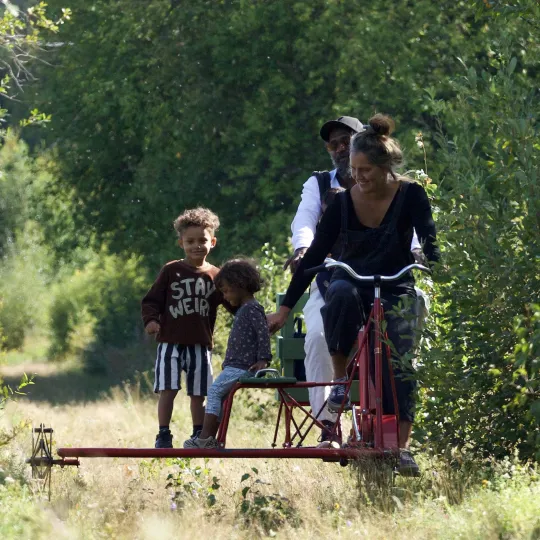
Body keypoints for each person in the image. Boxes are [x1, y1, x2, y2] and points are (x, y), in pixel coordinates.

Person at [269, 114, 440, 475]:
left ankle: (400, 448)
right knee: (341, 291)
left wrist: (436, 264)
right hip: (353, 280)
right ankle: (340, 382)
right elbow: (314, 257)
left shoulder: (411, 195)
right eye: (354, 170)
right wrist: (285, 308)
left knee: (401, 364)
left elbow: (429, 239)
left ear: (386, 168)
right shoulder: (342, 202)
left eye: (366, 171)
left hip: (396, 283)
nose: (358, 178)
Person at [141, 207, 232, 449]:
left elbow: (231, 300)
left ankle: (198, 434)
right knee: (168, 390)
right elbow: (151, 300)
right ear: (181, 243)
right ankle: (163, 434)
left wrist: (250, 313)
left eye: (202, 240)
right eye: (190, 241)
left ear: (212, 242)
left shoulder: (216, 275)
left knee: (198, 393)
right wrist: (151, 321)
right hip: (170, 342)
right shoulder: (171, 270)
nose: (196, 246)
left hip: (200, 345)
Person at [184, 259, 271, 449]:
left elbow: (263, 332)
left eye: (226, 290)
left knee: (214, 392)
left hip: (242, 366)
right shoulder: (244, 309)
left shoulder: (252, 308)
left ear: (239, 285)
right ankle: (211, 439)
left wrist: (263, 359)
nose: (224, 296)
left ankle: (205, 438)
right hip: (235, 366)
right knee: (220, 396)